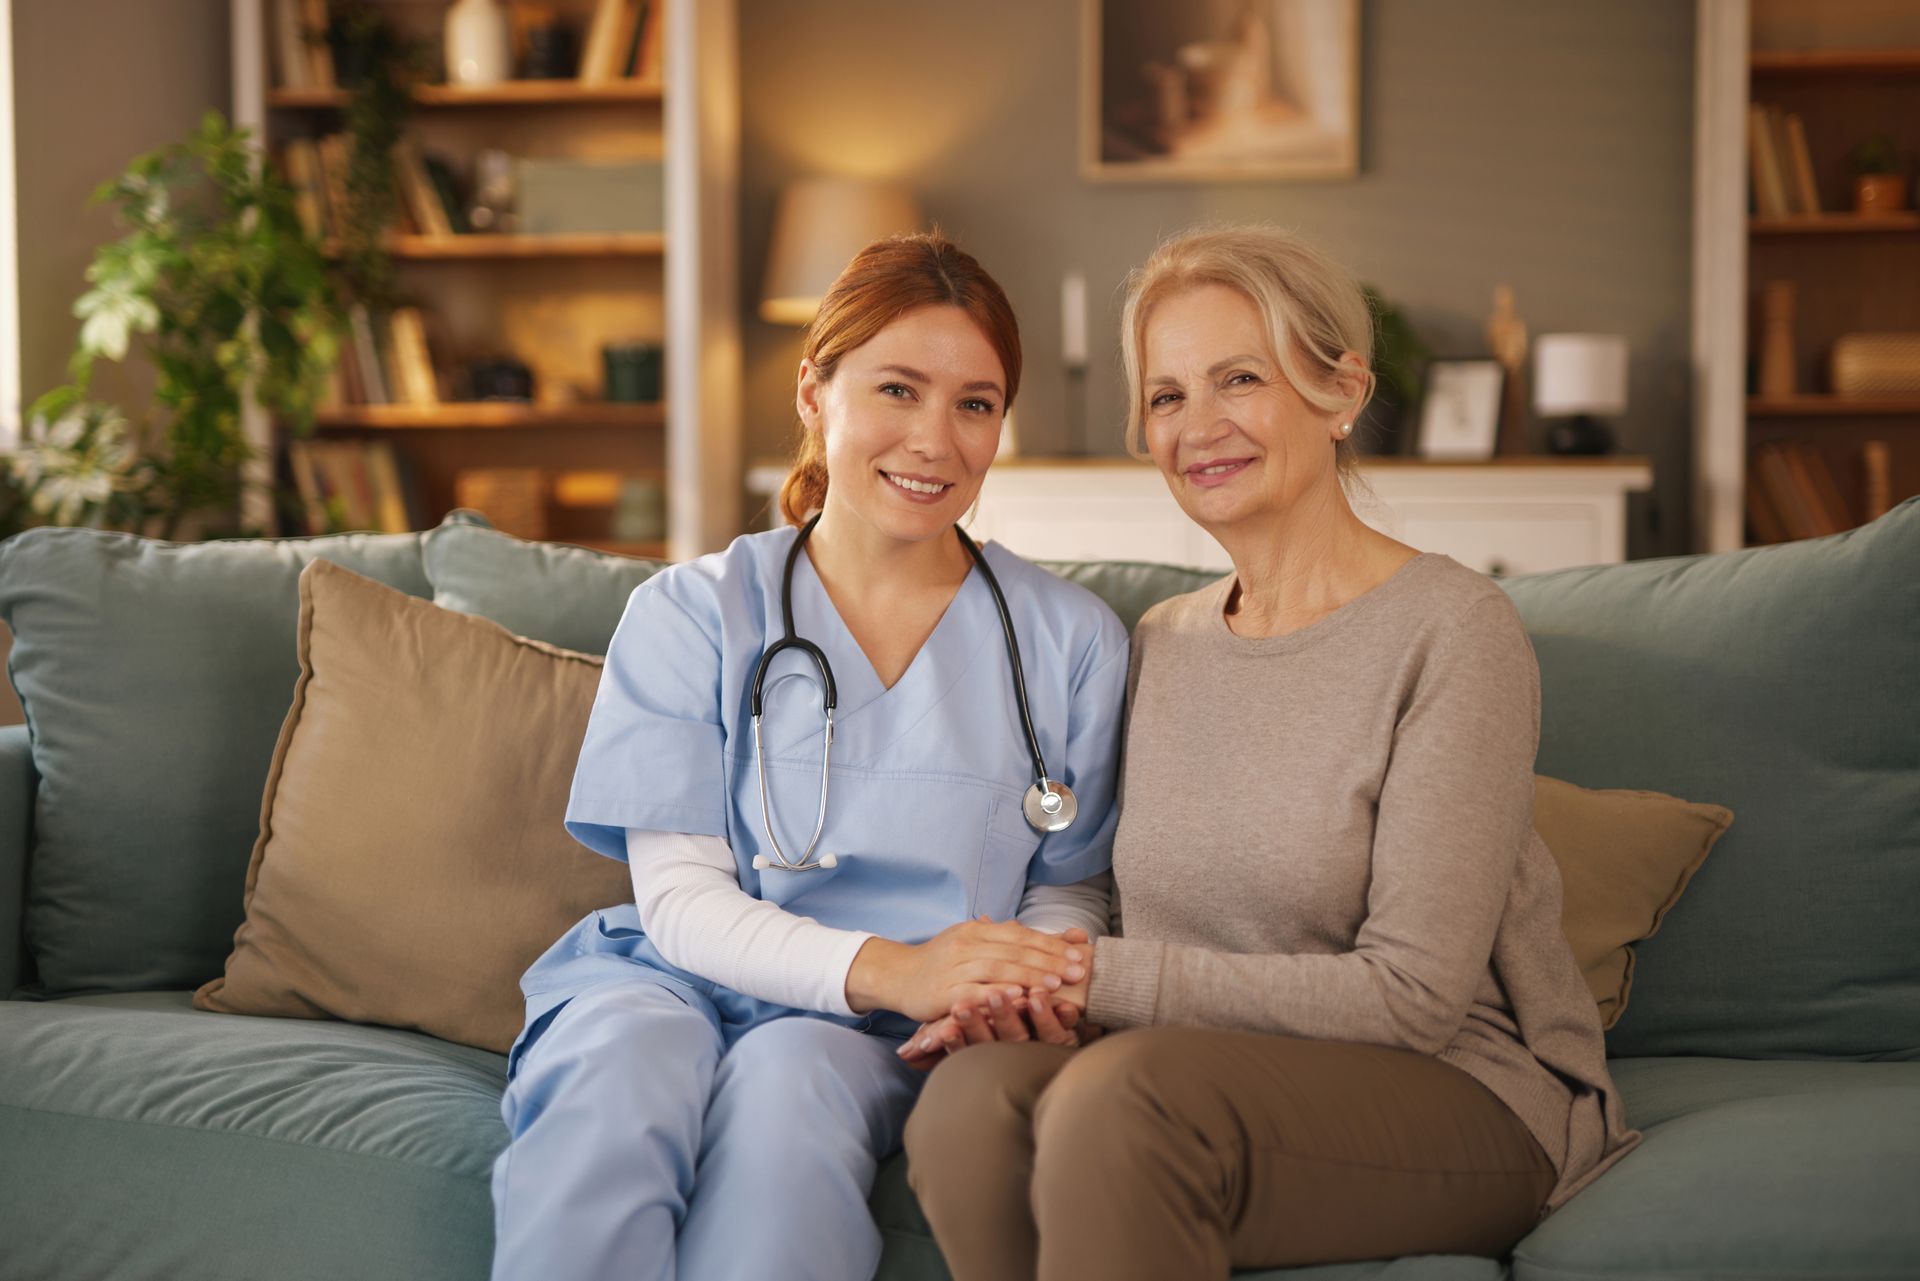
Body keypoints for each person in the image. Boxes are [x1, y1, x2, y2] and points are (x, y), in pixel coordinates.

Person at [901, 224, 1642, 1281]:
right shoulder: (1162, 641)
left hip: (1459, 1090)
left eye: (1238, 379)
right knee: (970, 1105)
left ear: (1341, 392)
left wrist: (1101, 976)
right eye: (1166, 396)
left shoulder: (1454, 630)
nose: (1198, 427)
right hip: (1199, 1074)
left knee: (1125, 1100)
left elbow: (1414, 996)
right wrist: (1026, 988)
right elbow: (1111, 907)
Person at [489, 233, 1129, 1281]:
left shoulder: (1069, 641)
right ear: (812, 392)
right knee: (618, 1068)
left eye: (975, 403)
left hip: (887, 1029)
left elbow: (1071, 887)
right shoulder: (692, 613)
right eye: (897, 389)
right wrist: (903, 966)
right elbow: (682, 903)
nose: (935, 440)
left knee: (791, 1086)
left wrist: (1012, 984)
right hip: (678, 976)